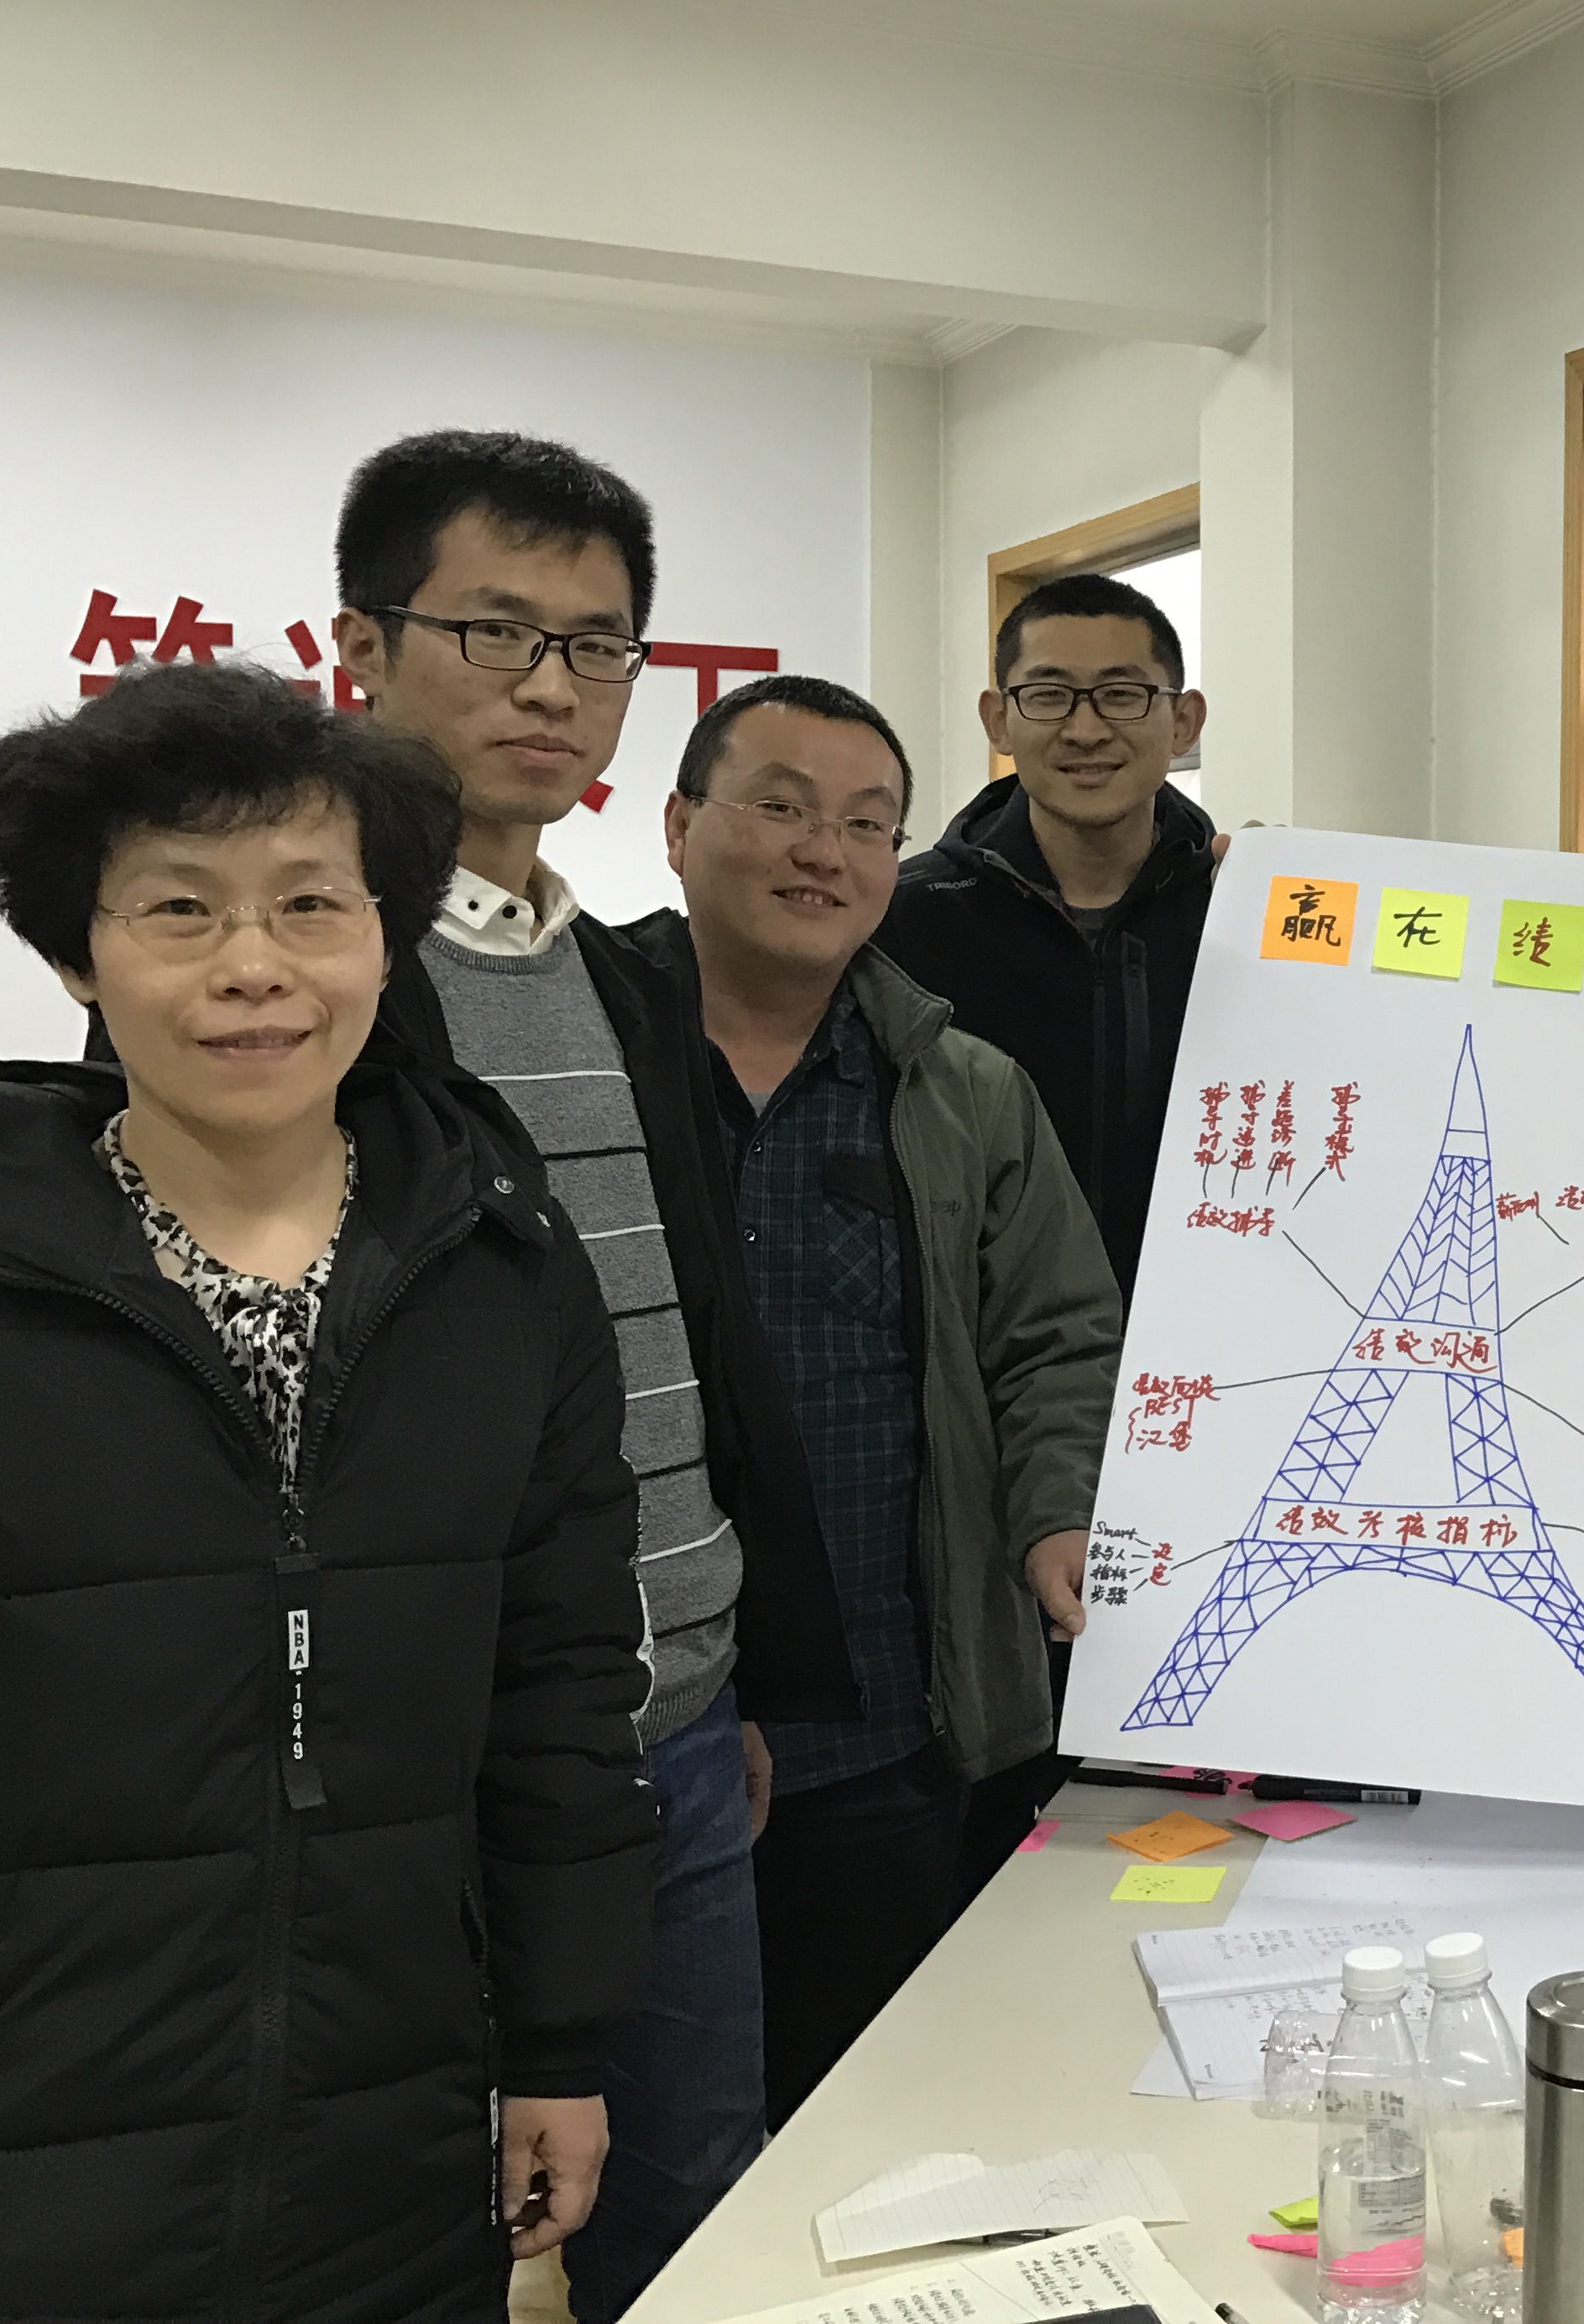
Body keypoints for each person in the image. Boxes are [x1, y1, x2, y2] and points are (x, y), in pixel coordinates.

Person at [0, 664, 657, 2320]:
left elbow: (560, 1684)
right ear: (77, 952)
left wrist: (558, 2045)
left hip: (386, 2138)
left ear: (386, 938)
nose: (252, 965)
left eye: (310, 903)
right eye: (179, 908)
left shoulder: (501, 1266)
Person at [328, 431, 852, 2319]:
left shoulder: (626, 978)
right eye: (496, 630)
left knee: (700, 2211)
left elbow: (687, 1337)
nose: (551, 686)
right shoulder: (314, 977)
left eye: (598, 645)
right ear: (361, 646)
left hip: (683, 1732)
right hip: (433, 1750)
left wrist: (736, 1660)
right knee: (407, 2236)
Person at [643, 675, 1124, 2122]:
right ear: (678, 826)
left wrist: (1055, 1510)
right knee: (660, 2147)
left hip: (890, 1723)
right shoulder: (586, 1066)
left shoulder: (962, 1086)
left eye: (867, 824)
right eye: (781, 806)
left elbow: (1058, 1335)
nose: (826, 852)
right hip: (637, 1731)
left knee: (871, 2122)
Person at [877, 572, 1215, 1299]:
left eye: (1122, 694)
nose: (1086, 730)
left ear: (1184, 721)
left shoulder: (1243, 913)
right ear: (998, 720)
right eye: (1049, 694)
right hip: (981, 1341)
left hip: (1205, 1329)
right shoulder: (903, 919)